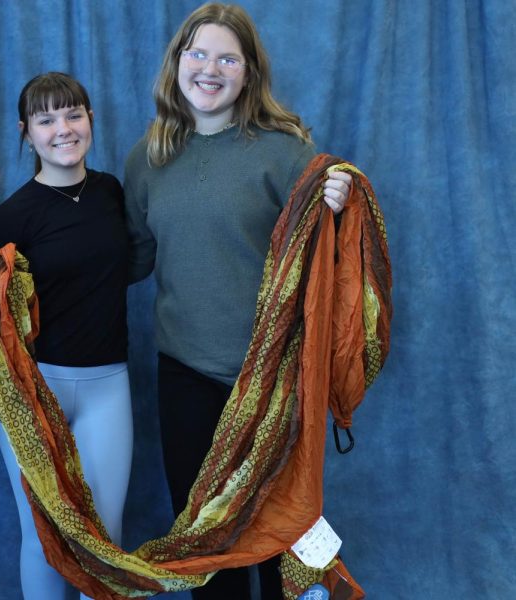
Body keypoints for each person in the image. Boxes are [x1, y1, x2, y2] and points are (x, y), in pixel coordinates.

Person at [122, 4, 352, 600]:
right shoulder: (148, 159)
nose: (210, 69)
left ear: (249, 73)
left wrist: (341, 202)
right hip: (185, 376)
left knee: (284, 542)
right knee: (209, 549)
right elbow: (131, 260)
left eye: (228, 58)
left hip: (273, 379)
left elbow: (331, 261)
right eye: (197, 54)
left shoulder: (283, 153)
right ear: (177, 64)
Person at [0, 72, 132, 600]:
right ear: (26, 133)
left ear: (90, 118)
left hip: (108, 385)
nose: (62, 129)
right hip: (32, 390)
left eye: (73, 115)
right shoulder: (9, 218)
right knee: (43, 537)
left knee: (103, 541)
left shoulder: (113, 192)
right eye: (46, 120)